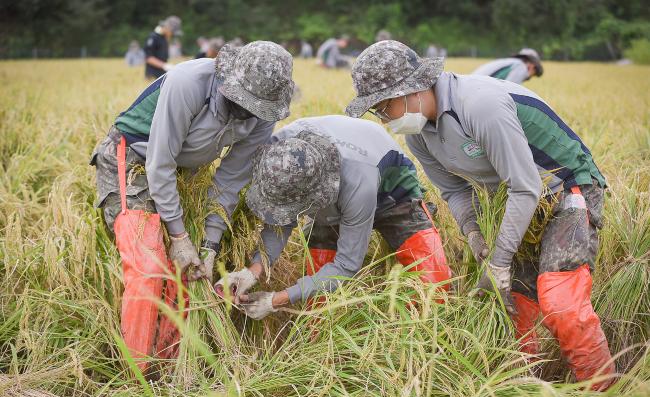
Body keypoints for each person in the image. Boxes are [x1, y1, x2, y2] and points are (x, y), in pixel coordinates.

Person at [345, 40, 615, 390]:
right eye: (377, 111)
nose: (384, 118)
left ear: (411, 89)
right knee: (516, 304)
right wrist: (474, 234)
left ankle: (603, 394)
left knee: (560, 301)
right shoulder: (419, 135)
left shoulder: (479, 104)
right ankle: (528, 391)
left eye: (385, 107)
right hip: (517, 199)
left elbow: (525, 186)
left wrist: (500, 260)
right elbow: (455, 191)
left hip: (566, 189)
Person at [90, 41, 294, 364]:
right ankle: (137, 375)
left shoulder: (263, 118)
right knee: (149, 265)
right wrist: (180, 236)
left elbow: (228, 182)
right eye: (243, 102)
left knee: (187, 270)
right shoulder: (188, 83)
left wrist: (208, 246)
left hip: (181, 172)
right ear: (231, 80)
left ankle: (170, 366)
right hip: (132, 158)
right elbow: (159, 163)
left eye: (257, 108)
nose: (248, 113)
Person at [217, 115, 452, 319]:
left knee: (434, 281)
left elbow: (346, 266)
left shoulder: (358, 183)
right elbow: (280, 218)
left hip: (390, 189)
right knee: (318, 299)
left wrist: (276, 300)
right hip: (325, 185)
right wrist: (252, 271)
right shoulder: (278, 155)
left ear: (318, 193)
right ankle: (315, 343)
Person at [473, 48, 543, 84]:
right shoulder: (521, 66)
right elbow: (510, 91)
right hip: (476, 89)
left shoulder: (511, 62)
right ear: (532, 66)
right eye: (534, 73)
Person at [144, 15, 183, 80]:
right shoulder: (153, 37)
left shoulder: (165, 38)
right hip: (152, 76)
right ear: (168, 28)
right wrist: (164, 65)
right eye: (172, 32)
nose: (173, 35)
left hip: (162, 75)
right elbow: (148, 58)